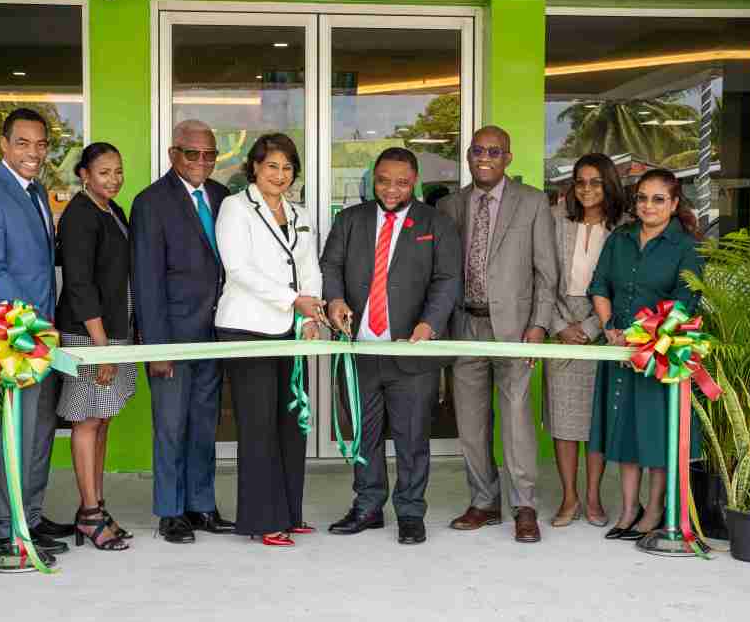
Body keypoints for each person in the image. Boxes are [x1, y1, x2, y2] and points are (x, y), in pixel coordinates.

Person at [322, 147, 462, 545]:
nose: (391, 189)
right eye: (384, 180)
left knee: (412, 437)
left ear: (413, 181)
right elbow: (330, 265)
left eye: (401, 181)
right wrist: (334, 300)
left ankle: (410, 511)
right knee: (363, 436)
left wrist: (429, 325)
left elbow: (447, 278)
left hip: (411, 352)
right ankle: (367, 506)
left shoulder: (436, 222)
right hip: (360, 350)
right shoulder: (350, 220)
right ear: (373, 178)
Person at [0, 108, 74, 563]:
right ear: (4, 146)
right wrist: (30, 322)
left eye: (41, 144)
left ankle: (31, 513)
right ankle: (11, 529)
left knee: (40, 429)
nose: (34, 152)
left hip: (42, 332)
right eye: (23, 143)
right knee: (18, 432)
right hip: (17, 334)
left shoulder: (36, 193)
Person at [438, 126, 557, 543]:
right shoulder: (450, 205)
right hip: (464, 326)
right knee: (471, 424)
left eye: (493, 151)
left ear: (508, 157)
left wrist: (539, 325)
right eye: (476, 150)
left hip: (515, 329)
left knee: (518, 422)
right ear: (467, 156)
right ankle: (484, 502)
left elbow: (547, 272)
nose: (483, 157)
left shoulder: (533, 202)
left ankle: (524, 505)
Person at [215, 133, 326, 547]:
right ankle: (263, 520)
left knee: (290, 425)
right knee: (259, 428)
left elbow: (309, 265)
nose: (280, 175)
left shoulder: (299, 212)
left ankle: (289, 512)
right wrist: (293, 301)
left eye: (287, 167)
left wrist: (311, 311)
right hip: (248, 328)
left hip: (292, 329)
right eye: (272, 166)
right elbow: (239, 269)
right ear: (255, 168)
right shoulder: (234, 207)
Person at [130, 120, 235, 544]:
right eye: (193, 154)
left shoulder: (222, 196)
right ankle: (171, 511)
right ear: (174, 155)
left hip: (215, 333)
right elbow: (147, 279)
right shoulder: (151, 202)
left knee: (204, 423)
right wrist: (156, 346)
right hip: (171, 336)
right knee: (171, 426)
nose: (202, 162)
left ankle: (201, 504)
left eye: (210, 154)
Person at [588, 168, 704, 541]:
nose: (648, 205)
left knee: (654, 434)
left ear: (673, 203)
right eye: (642, 198)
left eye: (658, 199)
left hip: (660, 354)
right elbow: (600, 286)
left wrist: (643, 339)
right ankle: (627, 509)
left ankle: (653, 510)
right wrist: (610, 330)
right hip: (619, 351)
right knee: (622, 431)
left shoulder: (685, 247)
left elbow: (685, 302)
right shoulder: (619, 239)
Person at [55, 142, 136, 551]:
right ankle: (89, 515)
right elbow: (80, 284)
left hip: (112, 332)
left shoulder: (112, 211)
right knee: (87, 420)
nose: (113, 179)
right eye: (104, 172)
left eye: (118, 171)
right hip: (89, 336)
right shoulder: (79, 216)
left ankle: (96, 506)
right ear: (84, 174)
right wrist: (101, 347)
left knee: (102, 419)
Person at [543, 153, 628, 528]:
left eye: (596, 182)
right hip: (560, 329)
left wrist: (593, 328)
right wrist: (560, 324)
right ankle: (569, 498)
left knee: (596, 423)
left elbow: (625, 287)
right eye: (581, 182)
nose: (588, 189)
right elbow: (539, 277)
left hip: (604, 331)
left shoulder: (625, 228)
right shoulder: (553, 220)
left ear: (609, 185)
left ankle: (593, 498)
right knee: (564, 423)